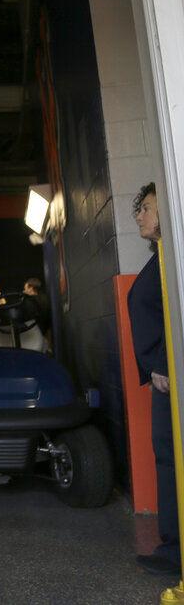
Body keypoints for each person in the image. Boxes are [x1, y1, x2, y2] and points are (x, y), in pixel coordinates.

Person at [129, 183, 179, 575]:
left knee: (172, 456)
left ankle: (176, 548)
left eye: (146, 207)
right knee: (167, 455)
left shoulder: (174, 255)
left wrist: (162, 361)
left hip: (170, 373)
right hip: (163, 373)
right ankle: (174, 544)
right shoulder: (162, 255)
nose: (140, 215)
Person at [23, 277, 52, 342]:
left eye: (25, 289)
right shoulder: (45, 299)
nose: (24, 291)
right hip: (46, 331)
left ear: (31, 288)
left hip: (35, 333)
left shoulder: (29, 301)